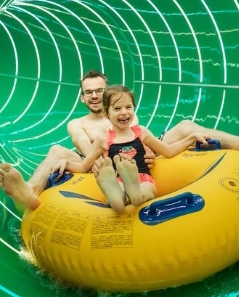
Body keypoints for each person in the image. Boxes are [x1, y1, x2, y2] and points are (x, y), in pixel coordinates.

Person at [0, 70, 239, 211]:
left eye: (100, 90)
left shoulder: (123, 113)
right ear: (82, 96)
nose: (95, 95)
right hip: (102, 164)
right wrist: (86, 161)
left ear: (109, 93)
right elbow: (93, 155)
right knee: (56, 150)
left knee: (187, 124)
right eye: (89, 92)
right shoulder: (78, 124)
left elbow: (143, 142)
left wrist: (154, 154)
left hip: (138, 162)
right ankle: (29, 192)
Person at [54, 85, 210, 213]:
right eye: (117, 108)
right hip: (119, 181)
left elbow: (167, 151)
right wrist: (65, 162)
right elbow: (84, 166)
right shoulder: (103, 139)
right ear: (106, 113)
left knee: (145, 190)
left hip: (142, 178)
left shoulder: (140, 132)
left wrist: (191, 137)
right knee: (121, 192)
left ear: (134, 109)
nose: (124, 112)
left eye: (128, 107)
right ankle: (119, 195)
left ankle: (131, 193)